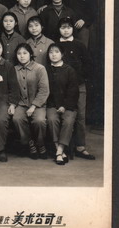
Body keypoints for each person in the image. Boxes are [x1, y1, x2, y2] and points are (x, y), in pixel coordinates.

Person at [58, 16, 95, 160]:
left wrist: (80, 78)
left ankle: (80, 146)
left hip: (79, 85)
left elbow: (88, 64)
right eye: (63, 28)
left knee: (80, 116)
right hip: (62, 87)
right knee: (64, 115)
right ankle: (63, 147)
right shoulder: (56, 45)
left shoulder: (79, 45)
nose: (66, 30)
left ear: (73, 29)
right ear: (59, 29)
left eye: (68, 27)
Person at [12, 43, 50, 159]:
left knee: (39, 121)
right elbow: (11, 89)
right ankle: (29, 143)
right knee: (17, 119)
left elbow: (44, 90)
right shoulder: (14, 70)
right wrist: (13, 104)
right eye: (19, 53)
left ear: (30, 54)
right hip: (21, 104)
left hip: (38, 104)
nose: (22, 56)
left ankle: (40, 144)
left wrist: (34, 106)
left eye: (25, 53)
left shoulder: (40, 68)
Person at [46, 43, 79, 165]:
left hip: (68, 106)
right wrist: (55, 105)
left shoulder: (69, 70)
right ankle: (59, 151)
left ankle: (59, 150)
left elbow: (73, 92)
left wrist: (64, 106)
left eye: (56, 52)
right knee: (52, 119)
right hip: (51, 105)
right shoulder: (45, 70)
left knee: (68, 121)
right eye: (51, 52)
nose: (53, 55)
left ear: (62, 54)